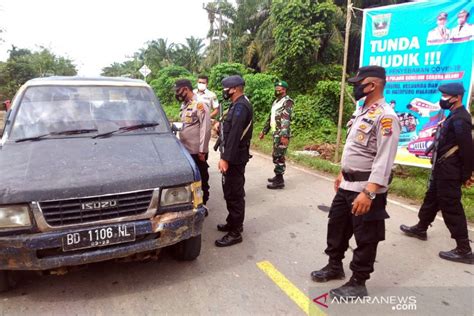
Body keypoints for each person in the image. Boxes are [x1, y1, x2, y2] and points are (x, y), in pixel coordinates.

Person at [311, 66, 400, 299]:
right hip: (347, 185)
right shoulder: (362, 110)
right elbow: (354, 147)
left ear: (372, 85)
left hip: (366, 189)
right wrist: (342, 172)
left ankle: (358, 282)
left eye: (358, 83)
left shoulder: (386, 116)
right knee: (337, 226)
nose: (355, 87)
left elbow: (384, 159)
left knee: (366, 237)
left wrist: (369, 193)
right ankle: (334, 266)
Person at [400, 82, 473, 265]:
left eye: (446, 96)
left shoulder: (460, 118)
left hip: (450, 171)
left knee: (451, 206)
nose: (442, 99)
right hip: (442, 168)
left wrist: (467, 174)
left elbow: (467, 149)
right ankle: (421, 228)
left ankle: (464, 249)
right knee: (431, 198)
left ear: (457, 98)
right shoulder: (452, 115)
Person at [215, 75, 253, 247]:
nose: (224, 91)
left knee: (234, 193)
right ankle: (232, 222)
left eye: (226, 88)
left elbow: (236, 134)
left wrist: (225, 158)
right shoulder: (236, 105)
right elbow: (229, 130)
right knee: (229, 190)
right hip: (234, 156)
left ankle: (235, 232)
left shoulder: (241, 107)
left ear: (235, 89)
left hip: (235, 158)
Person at [174, 79, 212, 212]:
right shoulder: (185, 105)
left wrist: (202, 150)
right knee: (190, 179)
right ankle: (192, 202)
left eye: (178, 91)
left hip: (197, 151)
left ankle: (203, 203)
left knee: (201, 178)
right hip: (186, 149)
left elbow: (206, 128)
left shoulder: (200, 104)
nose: (177, 94)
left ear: (185, 89)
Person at [259, 80, 293, 189]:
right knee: (276, 155)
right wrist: (264, 131)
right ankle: (277, 176)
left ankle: (279, 181)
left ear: (284, 90)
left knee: (279, 156)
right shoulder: (276, 101)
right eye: (276, 89)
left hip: (281, 134)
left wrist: (284, 135)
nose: (277, 91)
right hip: (275, 133)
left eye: (279, 89)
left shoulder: (287, 101)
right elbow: (271, 117)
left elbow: (286, 119)